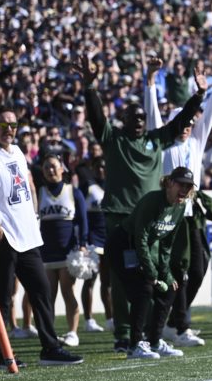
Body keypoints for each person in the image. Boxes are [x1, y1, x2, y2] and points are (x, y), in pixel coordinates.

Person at [72, 54, 204, 352]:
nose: (140, 121)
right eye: (134, 117)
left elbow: (182, 120)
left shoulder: (156, 140)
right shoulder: (113, 139)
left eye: (143, 118)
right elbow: (96, 118)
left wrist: (198, 95)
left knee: (156, 272)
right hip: (120, 216)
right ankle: (124, 333)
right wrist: (90, 88)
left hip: (152, 218)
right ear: (125, 120)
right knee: (121, 278)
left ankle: (151, 335)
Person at [0, 105, 83, 368]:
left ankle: (50, 348)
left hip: (28, 235)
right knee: (2, 297)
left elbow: (30, 186)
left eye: (13, 125)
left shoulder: (18, 152)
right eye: (3, 125)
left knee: (41, 291)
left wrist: (33, 217)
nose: (9, 130)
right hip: (5, 239)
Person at [159, 60, 212, 346]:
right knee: (180, 271)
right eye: (182, 122)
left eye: (189, 122)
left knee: (199, 269)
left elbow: (208, 115)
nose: (187, 126)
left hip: (193, 215)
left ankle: (173, 320)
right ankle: (179, 326)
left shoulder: (195, 142)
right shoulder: (162, 145)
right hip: (171, 216)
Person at [106, 166, 195, 359]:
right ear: (170, 183)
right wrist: (152, 274)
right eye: (181, 184)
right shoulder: (153, 201)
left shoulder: (180, 207)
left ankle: (154, 341)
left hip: (138, 248)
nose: (185, 190)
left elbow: (166, 245)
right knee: (143, 290)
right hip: (122, 246)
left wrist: (166, 274)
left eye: (189, 186)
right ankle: (135, 345)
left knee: (171, 288)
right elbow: (141, 239)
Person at [37, 153, 89, 347]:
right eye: (46, 168)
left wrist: (82, 244)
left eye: (53, 166)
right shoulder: (39, 192)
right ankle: (50, 336)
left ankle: (72, 332)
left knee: (68, 291)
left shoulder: (72, 191)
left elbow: (83, 220)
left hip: (68, 252)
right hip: (46, 252)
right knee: (48, 295)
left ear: (62, 169)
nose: (50, 170)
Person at [79, 156, 113, 332]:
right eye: (98, 166)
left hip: (109, 238)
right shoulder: (87, 186)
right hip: (93, 239)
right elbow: (79, 211)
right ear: (92, 168)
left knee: (107, 281)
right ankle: (89, 319)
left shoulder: (114, 185)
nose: (101, 170)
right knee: (90, 279)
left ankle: (110, 318)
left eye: (104, 166)